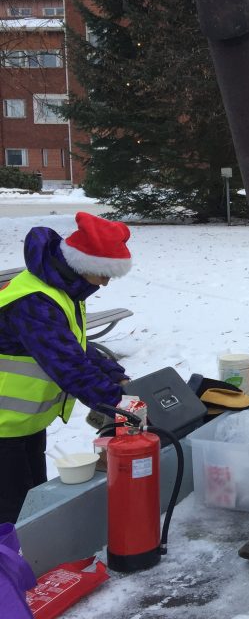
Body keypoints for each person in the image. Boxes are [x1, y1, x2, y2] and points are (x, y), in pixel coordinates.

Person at [0, 212, 133, 524]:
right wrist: (116, 401)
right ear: (85, 265)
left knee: (32, 500)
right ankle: (11, 569)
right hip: (3, 426)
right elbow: (68, 365)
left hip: (22, 421)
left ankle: (26, 563)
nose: (106, 282)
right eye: (104, 274)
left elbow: (72, 343)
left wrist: (113, 374)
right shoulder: (35, 302)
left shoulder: (62, 287)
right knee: (11, 511)